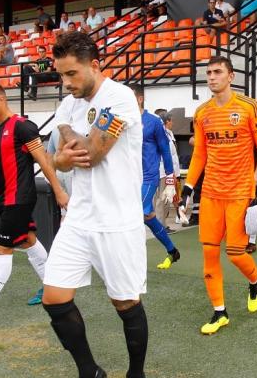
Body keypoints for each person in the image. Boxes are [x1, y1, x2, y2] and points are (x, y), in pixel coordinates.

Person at [43, 31, 148, 378]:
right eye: (61, 75)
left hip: (117, 220)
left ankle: (136, 373)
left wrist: (69, 150)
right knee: (54, 297)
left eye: (72, 74)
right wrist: (64, 156)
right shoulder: (70, 101)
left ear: (96, 66)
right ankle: (90, 372)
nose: (66, 83)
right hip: (79, 218)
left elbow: (91, 152)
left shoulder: (118, 98)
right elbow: (57, 156)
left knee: (125, 303)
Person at [0, 83, 68, 321]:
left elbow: (44, 161)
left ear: (2, 99)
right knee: (28, 240)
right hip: (3, 197)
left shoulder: (23, 127)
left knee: (3, 248)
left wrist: (58, 191)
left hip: (20, 198)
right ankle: (51, 287)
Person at [179, 56, 257, 335]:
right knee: (208, 253)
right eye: (208, 73)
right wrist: (188, 187)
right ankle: (219, 312)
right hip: (211, 194)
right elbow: (200, 154)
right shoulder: (202, 112)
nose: (211, 77)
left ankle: (255, 280)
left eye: (217, 72)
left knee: (235, 254)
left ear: (231, 76)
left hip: (241, 192)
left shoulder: (249, 107)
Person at [133, 85, 180, 269]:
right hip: (129, 177)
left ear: (139, 99)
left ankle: (133, 263)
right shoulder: (122, 121)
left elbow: (165, 151)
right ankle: (172, 250)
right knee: (148, 216)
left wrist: (169, 180)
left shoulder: (153, 121)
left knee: (137, 213)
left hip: (148, 176)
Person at [156, 111, 181, 232]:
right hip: (163, 171)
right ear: (167, 121)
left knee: (168, 197)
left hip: (170, 171)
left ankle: (163, 224)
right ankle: (160, 226)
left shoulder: (169, 133)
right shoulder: (161, 134)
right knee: (162, 198)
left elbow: (173, 155)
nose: (173, 123)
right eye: (171, 120)